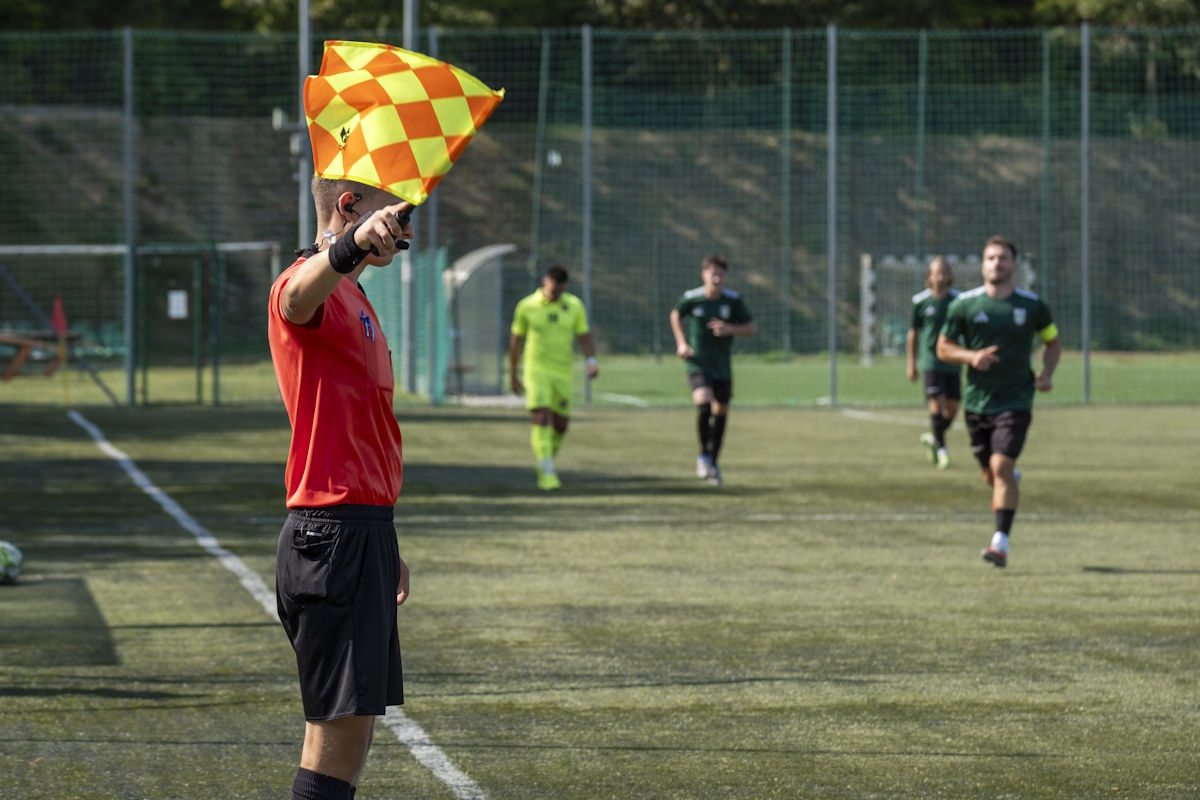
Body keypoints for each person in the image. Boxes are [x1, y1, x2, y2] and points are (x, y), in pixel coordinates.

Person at [267, 175, 414, 800]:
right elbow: (295, 298)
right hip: (332, 537)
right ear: (350, 207)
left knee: (348, 746)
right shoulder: (312, 282)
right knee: (330, 750)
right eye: (393, 210)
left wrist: (387, 539)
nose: (403, 224)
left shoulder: (358, 299)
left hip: (362, 532)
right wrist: (349, 245)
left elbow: (362, 433)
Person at [937, 235, 1061, 569]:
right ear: (982, 264)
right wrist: (972, 356)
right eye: (991, 258)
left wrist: (1047, 374)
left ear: (1014, 265)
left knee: (1001, 466)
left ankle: (1000, 544)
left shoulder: (1032, 306)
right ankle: (1006, 481)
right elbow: (943, 347)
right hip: (977, 403)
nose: (997, 263)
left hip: (1016, 399)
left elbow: (1052, 342)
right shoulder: (964, 305)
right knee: (990, 474)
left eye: (1003, 258)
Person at [508, 265, 599, 491]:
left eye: (559, 289)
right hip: (536, 369)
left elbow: (584, 336)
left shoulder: (574, 306)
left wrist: (592, 360)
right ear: (544, 281)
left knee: (561, 425)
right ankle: (547, 471)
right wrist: (513, 373)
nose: (555, 292)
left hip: (563, 372)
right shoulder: (527, 306)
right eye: (552, 287)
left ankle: (546, 460)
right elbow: (516, 342)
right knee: (541, 416)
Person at [668, 255, 755, 487]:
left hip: (722, 366)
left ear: (725, 276)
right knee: (704, 404)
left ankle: (713, 461)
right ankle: (704, 457)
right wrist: (682, 343)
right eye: (712, 273)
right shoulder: (692, 298)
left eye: (721, 274)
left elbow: (750, 328)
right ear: (704, 274)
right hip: (697, 363)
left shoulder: (733, 300)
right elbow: (675, 314)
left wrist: (730, 329)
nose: (716, 278)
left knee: (721, 412)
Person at [906, 256, 961, 470]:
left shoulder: (958, 301)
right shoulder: (920, 302)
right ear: (929, 276)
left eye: (943, 272)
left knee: (952, 409)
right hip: (930, 362)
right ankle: (942, 450)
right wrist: (911, 363)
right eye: (935, 272)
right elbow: (913, 334)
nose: (939, 276)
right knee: (936, 404)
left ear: (949, 276)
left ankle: (934, 437)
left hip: (953, 360)